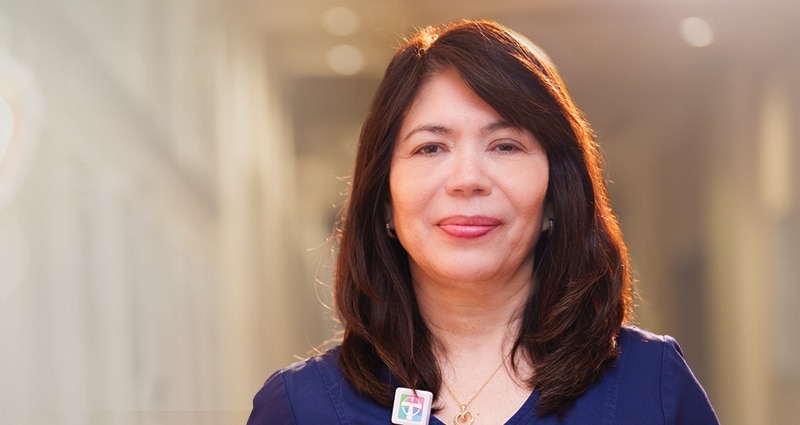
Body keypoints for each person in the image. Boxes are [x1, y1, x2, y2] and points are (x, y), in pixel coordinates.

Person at [247, 19, 719, 424]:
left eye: (505, 146)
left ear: (557, 194)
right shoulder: (300, 408)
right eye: (431, 147)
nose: (467, 179)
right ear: (384, 200)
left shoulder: (652, 386)